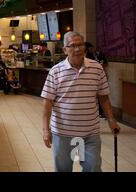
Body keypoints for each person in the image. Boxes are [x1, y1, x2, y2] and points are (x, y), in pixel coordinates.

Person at [41, 31, 120, 172]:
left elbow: (104, 97)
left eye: (80, 45)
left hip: (90, 132)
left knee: (93, 167)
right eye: (72, 46)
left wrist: (111, 120)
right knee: (63, 169)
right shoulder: (55, 71)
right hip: (63, 133)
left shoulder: (97, 68)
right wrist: (46, 130)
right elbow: (47, 103)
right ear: (65, 49)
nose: (77, 49)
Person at [85, 42, 108, 117]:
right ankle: (98, 112)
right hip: (90, 78)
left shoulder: (100, 54)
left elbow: (106, 63)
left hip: (100, 76)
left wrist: (99, 66)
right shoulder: (88, 56)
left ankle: (102, 112)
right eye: (89, 49)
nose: (91, 50)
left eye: (92, 48)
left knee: (102, 94)